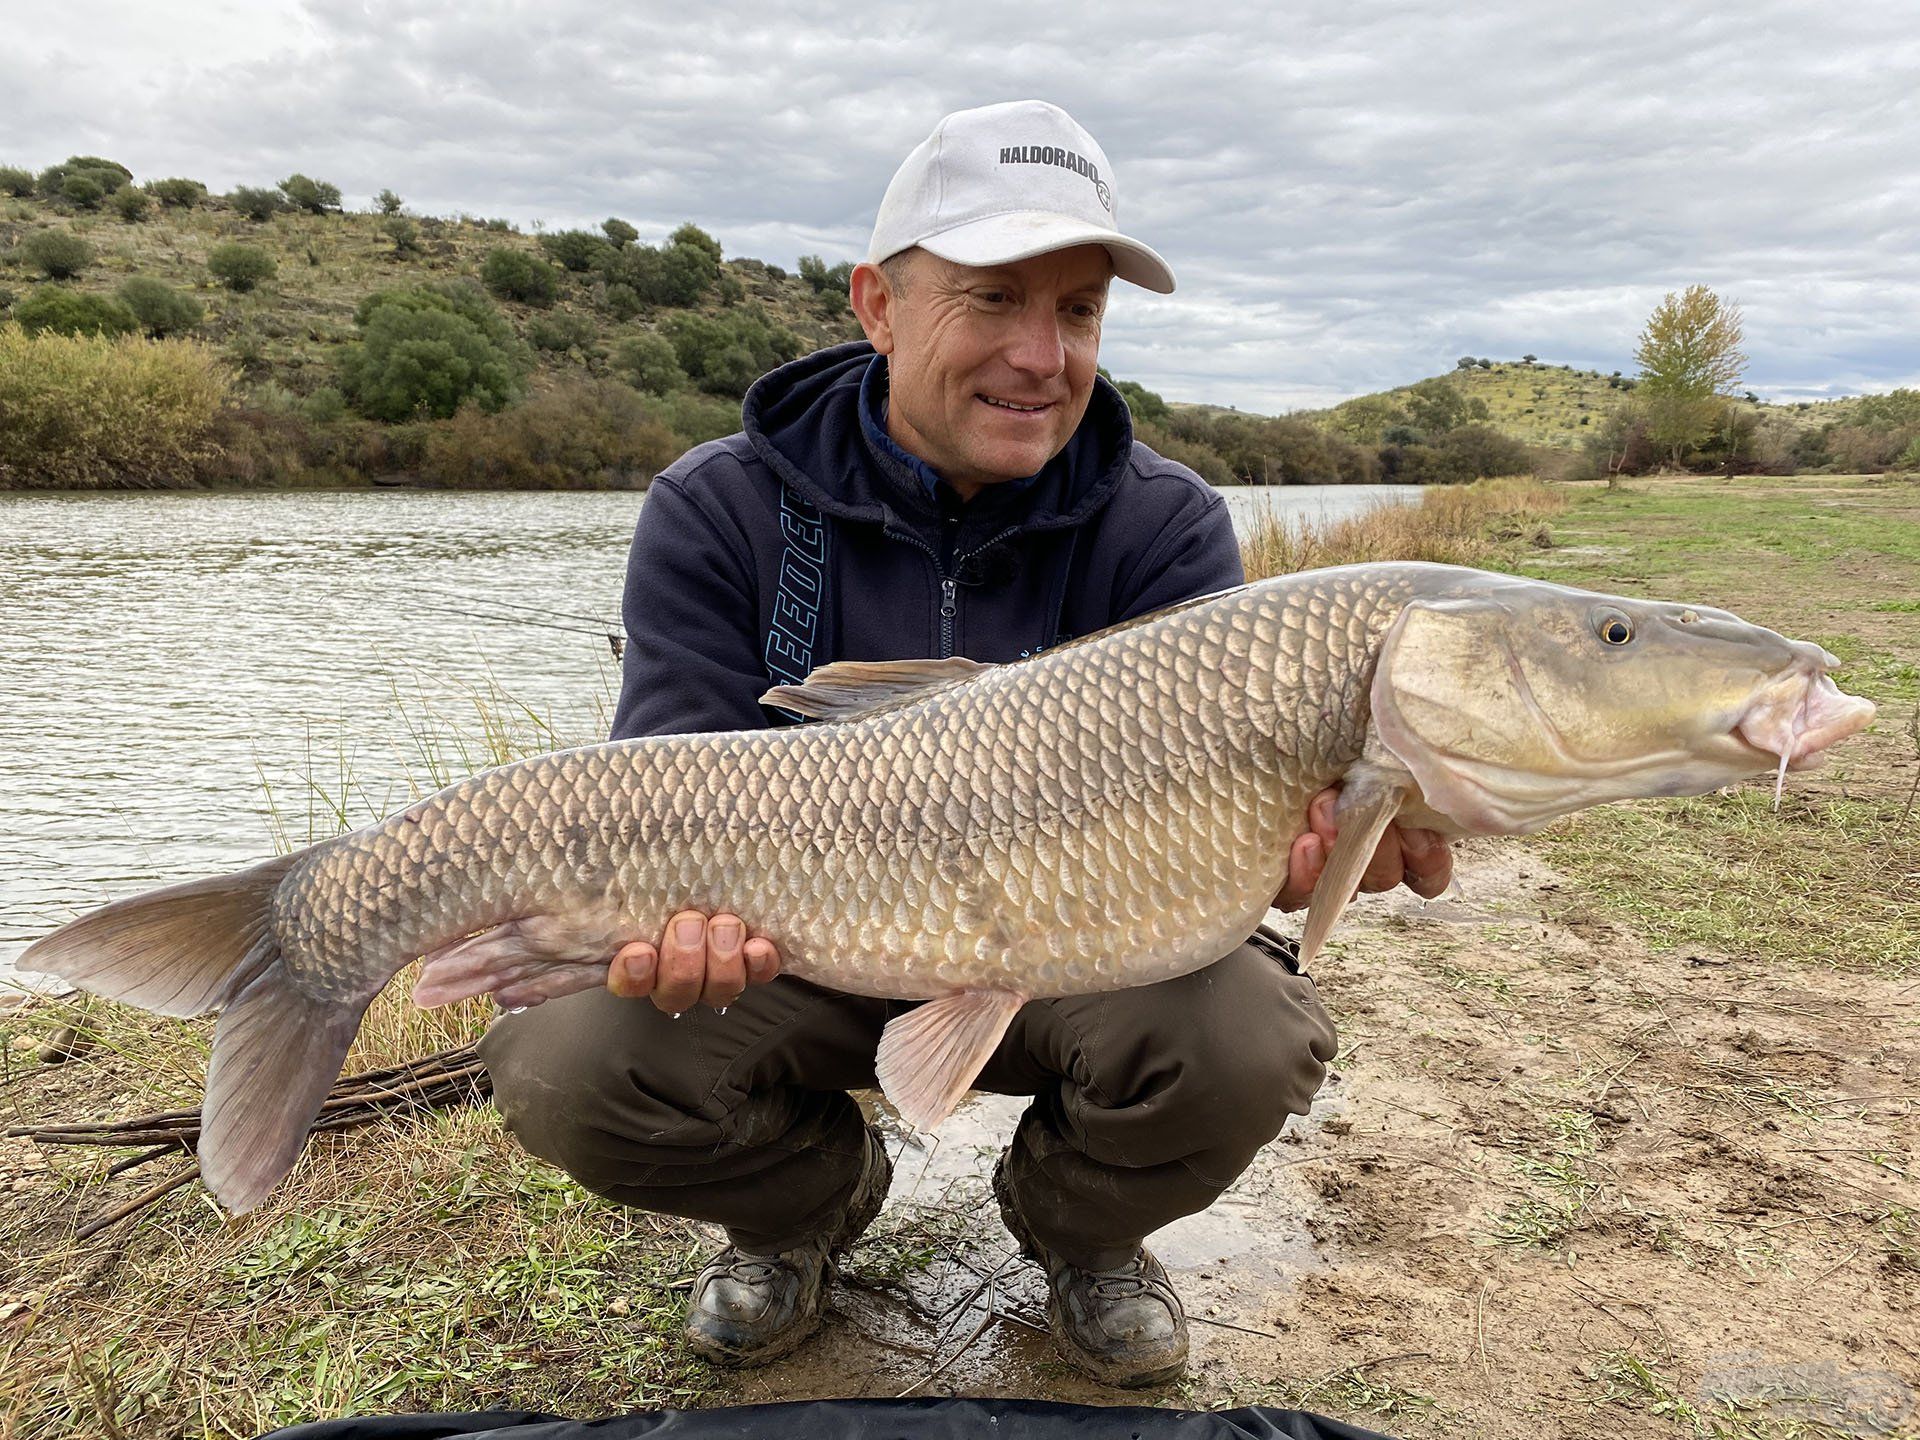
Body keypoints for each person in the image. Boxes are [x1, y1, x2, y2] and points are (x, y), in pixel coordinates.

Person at [479, 99, 1452, 1388]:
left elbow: (1253, 846)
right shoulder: (715, 506)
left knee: (1244, 1039)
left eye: (1081, 312)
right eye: (994, 300)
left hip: (1071, 946)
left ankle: (1079, 1231)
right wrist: (672, 938)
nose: (1043, 356)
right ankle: (800, 1208)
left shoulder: (1164, 526)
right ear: (878, 305)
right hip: (799, 943)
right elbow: (666, 782)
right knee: (569, 1061)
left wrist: (1298, 855)